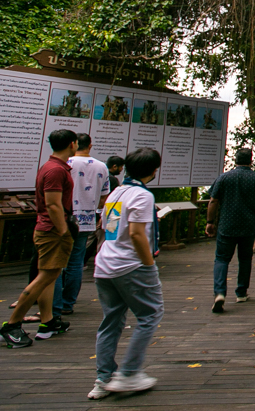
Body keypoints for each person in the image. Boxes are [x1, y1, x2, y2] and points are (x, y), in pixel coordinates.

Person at [88, 148, 165, 400]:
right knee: (150, 313)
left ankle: (103, 378)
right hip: (131, 265)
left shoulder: (115, 194)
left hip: (105, 264)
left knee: (111, 321)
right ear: (153, 171)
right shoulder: (142, 196)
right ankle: (130, 373)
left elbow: (108, 227)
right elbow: (135, 233)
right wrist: (148, 264)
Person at [2, 130, 78, 349]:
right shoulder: (55, 170)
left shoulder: (52, 166)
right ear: (72, 144)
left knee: (50, 276)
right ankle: (12, 324)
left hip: (48, 228)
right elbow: (53, 203)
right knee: (44, 276)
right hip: (53, 230)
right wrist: (63, 230)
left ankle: (48, 322)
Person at [206, 148, 255, 312]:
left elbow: (213, 201)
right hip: (248, 225)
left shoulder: (224, 177)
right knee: (244, 259)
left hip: (226, 225)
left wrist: (210, 222)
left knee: (221, 259)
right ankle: (241, 292)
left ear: (235, 160)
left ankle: (220, 293)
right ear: (251, 160)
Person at [59, 133, 111, 315]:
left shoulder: (66, 163)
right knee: (76, 261)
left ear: (73, 145)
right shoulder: (102, 167)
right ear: (90, 146)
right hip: (87, 219)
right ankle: (68, 302)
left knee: (58, 262)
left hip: (65, 217)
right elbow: (104, 196)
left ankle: (55, 302)